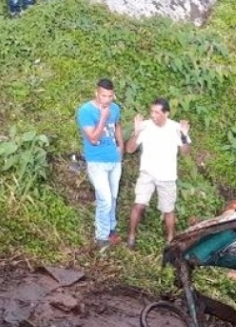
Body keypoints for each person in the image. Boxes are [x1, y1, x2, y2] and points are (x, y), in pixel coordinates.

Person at [125, 97, 191, 248]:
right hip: (147, 173)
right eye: (151, 112)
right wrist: (136, 133)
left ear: (166, 113)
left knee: (168, 210)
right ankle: (131, 237)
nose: (153, 115)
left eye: (157, 112)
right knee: (139, 204)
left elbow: (185, 153)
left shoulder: (175, 128)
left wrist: (184, 136)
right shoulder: (145, 126)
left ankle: (170, 240)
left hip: (167, 176)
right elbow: (129, 149)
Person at [76, 78, 124, 249]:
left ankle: (111, 230)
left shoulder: (115, 109)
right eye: (104, 95)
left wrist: (121, 146)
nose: (107, 100)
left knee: (112, 197)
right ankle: (101, 236)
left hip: (114, 160)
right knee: (104, 199)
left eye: (110, 96)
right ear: (96, 93)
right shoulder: (86, 111)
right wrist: (103, 117)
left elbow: (117, 125)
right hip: (97, 161)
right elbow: (93, 138)